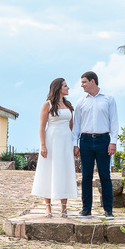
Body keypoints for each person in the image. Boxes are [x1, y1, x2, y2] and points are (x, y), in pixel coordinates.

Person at [71, 70, 119, 217]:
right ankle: (86, 209)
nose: (82, 85)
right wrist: (75, 143)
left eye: (84, 82)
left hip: (103, 140)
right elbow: (76, 125)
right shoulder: (81, 102)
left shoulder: (109, 99)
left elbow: (114, 122)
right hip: (85, 141)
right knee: (86, 177)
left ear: (93, 82)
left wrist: (113, 142)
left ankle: (108, 210)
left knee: (105, 176)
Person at [31, 77, 79, 217]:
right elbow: (41, 127)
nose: (68, 88)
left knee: (65, 171)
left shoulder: (68, 105)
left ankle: (64, 208)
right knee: (49, 171)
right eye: (65, 85)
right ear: (58, 88)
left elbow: (71, 126)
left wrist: (73, 144)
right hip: (52, 139)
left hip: (65, 141)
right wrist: (43, 145)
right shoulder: (47, 105)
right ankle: (48, 207)